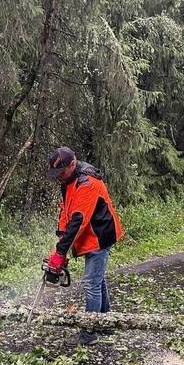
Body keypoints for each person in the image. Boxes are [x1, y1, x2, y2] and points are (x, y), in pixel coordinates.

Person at [44, 146, 124, 346]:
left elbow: (79, 220)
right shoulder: (68, 181)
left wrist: (61, 252)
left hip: (100, 235)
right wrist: (60, 242)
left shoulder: (87, 183)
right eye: (57, 174)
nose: (59, 177)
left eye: (61, 172)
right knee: (97, 280)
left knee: (90, 283)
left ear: (72, 164)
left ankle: (89, 331)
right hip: (89, 236)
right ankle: (105, 320)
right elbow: (66, 212)